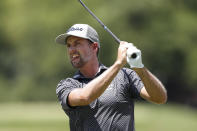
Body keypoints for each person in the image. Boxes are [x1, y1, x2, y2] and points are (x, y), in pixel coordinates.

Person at [55, 24, 167, 131]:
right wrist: (118, 64)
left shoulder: (124, 76)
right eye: (69, 45)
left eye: (77, 43)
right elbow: (85, 97)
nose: (71, 50)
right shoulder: (66, 85)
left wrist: (139, 67)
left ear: (94, 47)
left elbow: (159, 98)